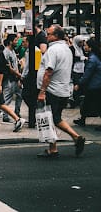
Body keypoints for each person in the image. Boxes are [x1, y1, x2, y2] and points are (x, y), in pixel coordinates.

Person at [36, 24, 85, 158]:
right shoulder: (66, 49)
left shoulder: (53, 50)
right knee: (52, 119)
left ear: (56, 36)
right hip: (62, 90)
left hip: (52, 91)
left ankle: (75, 137)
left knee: (54, 118)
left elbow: (49, 72)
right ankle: (53, 148)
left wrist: (42, 91)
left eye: (49, 34)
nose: (46, 36)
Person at [73, 37, 101, 129]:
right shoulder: (95, 56)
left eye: (86, 45)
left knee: (95, 105)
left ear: (90, 47)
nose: (84, 47)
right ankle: (82, 119)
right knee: (87, 103)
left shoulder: (92, 59)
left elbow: (87, 74)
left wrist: (79, 84)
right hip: (96, 84)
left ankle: (82, 119)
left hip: (95, 85)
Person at [1, 34, 23, 122]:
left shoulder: (13, 51)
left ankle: (17, 112)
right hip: (10, 78)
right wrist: (19, 75)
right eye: (15, 40)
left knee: (20, 95)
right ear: (10, 42)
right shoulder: (6, 52)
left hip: (16, 78)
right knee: (7, 98)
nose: (17, 42)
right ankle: (5, 116)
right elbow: (9, 67)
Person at [20, 36, 38, 128]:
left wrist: (22, 76)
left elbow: (28, 66)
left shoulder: (35, 51)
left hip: (31, 78)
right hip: (32, 77)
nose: (22, 43)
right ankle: (32, 119)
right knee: (29, 99)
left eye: (24, 41)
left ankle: (33, 119)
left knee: (27, 96)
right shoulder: (29, 51)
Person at [69, 35, 87, 108]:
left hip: (81, 69)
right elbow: (72, 58)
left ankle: (78, 100)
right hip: (75, 69)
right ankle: (74, 101)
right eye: (80, 42)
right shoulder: (72, 48)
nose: (81, 44)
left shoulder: (81, 48)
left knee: (80, 84)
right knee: (76, 84)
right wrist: (82, 58)